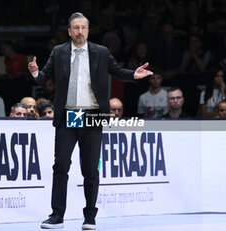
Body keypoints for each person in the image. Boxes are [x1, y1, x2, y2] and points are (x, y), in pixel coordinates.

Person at [28, 12, 153, 230]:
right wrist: (35, 72)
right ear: (69, 31)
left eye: (83, 28)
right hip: (68, 114)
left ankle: (90, 217)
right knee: (61, 166)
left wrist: (134, 74)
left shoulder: (101, 52)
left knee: (90, 170)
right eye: (75, 28)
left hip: (92, 114)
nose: (79, 31)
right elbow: (44, 75)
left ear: (88, 30)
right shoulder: (59, 52)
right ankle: (57, 215)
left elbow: (117, 71)